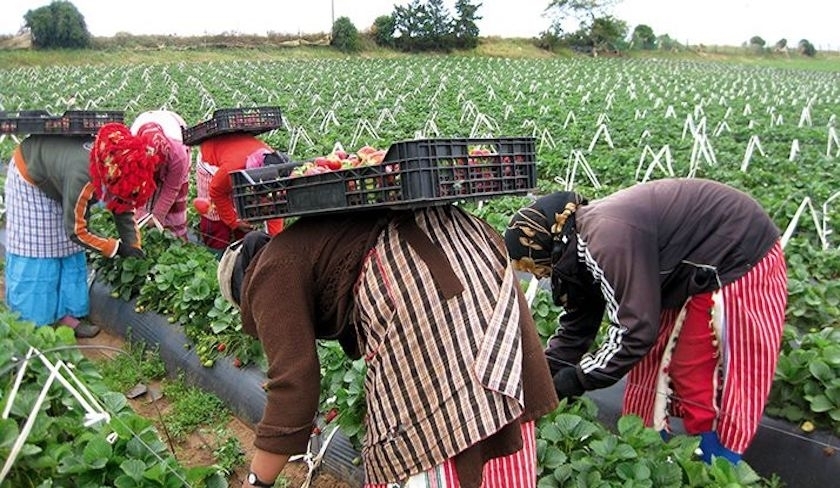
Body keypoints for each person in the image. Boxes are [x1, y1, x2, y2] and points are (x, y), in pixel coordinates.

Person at [218, 206, 559, 488]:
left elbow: (294, 386)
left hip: (418, 278)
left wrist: (257, 482)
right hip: (470, 247)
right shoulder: (303, 243)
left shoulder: (267, 274)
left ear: (244, 293)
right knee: (486, 402)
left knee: (430, 430)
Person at [503, 177, 788, 465]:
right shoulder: (575, 247)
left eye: (533, 265)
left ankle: (719, 464)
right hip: (683, 271)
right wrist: (545, 374)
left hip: (732, 253)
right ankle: (648, 449)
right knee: (651, 364)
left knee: (695, 370)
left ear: (544, 245)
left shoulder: (603, 239)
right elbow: (578, 325)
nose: (538, 275)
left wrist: (576, 379)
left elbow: (635, 332)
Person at [4, 122, 161, 338]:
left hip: (59, 179)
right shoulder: (83, 177)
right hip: (31, 178)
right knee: (39, 253)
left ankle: (66, 318)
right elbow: (76, 231)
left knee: (67, 250)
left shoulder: (115, 166)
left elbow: (122, 203)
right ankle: (31, 326)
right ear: (110, 175)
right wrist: (114, 248)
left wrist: (133, 244)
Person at [194, 133, 286, 251]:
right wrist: (234, 222)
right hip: (212, 161)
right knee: (215, 216)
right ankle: (216, 252)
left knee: (244, 212)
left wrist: (274, 244)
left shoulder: (274, 166)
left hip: (235, 160)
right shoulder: (232, 168)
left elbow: (274, 208)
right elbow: (216, 192)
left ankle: (241, 247)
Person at [129, 110, 191, 240]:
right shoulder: (130, 152)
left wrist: (157, 217)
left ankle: (178, 237)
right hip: (143, 145)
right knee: (138, 211)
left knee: (175, 209)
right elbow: (135, 186)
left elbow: (172, 188)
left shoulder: (178, 154)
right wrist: (141, 215)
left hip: (175, 131)